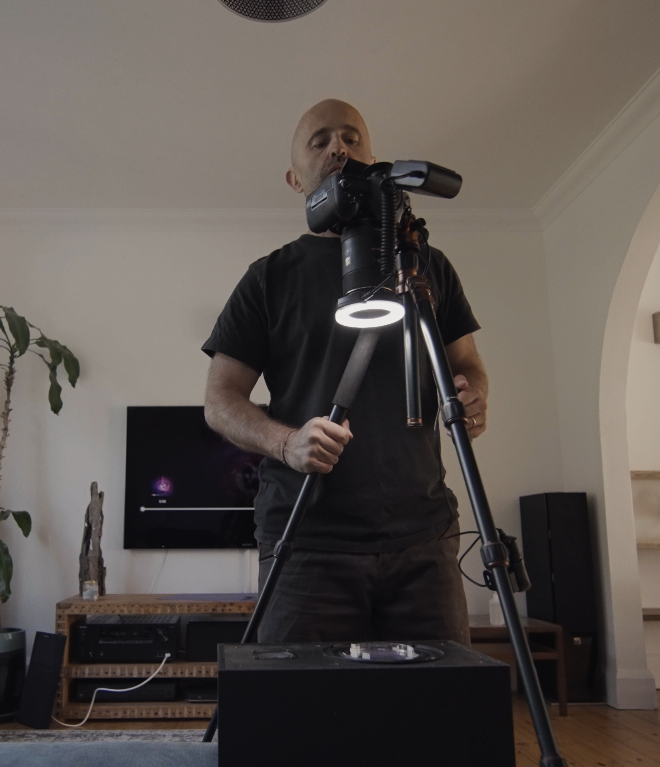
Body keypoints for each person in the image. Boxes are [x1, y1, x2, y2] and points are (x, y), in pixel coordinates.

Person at [202, 99, 488, 645]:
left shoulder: (425, 265)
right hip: (306, 540)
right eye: (321, 140)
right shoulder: (268, 278)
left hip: (423, 538)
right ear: (294, 178)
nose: (340, 147)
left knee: (441, 717)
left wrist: (474, 395)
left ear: (373, 158)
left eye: (352, 138)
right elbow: (220, 401)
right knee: (303, 719)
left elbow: (467, 363)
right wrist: (287, 443)